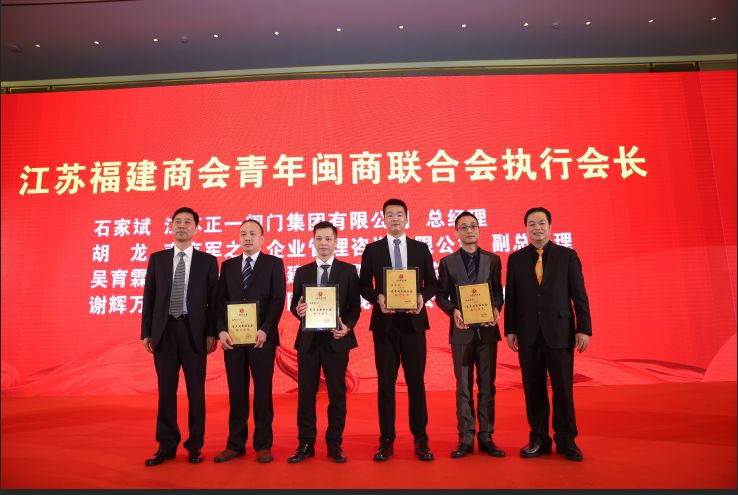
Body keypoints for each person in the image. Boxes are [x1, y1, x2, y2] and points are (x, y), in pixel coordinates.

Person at [504, 207, 592, 462]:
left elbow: (579, 295)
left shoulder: (567, 256)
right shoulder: (516, 259)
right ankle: (539, 439)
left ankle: (566, 440)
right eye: (532, 224)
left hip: (560, 332)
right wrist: (510, 330)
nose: (537, 228)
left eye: (542, 223)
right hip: (528, 334)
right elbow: (512, 298)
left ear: (550, 227)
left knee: (563, 389)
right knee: (534, 389)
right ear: (526, 229)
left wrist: (583, 328)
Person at [359, 198, 438, 461]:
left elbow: (432, 283)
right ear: (383, 219)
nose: (395, 218)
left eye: (399, 214)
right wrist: (378, 297)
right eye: (390, 214)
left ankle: (421, 439)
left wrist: (422, 297)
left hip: (414, 324)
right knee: (386, 384)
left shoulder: (420, 248)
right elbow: (363, 285)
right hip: (385, 325)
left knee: (416, 383)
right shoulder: (372, 250)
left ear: (407, 218)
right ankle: (386, 440)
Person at [141, 206, 219, 466]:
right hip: (164, 332)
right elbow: (149, 296)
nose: (182, 226)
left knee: (196, 392)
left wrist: (211, 333)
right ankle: (166, 445)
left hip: (194, 333)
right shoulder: (157, 259)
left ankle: (195, 445)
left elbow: (213, 301)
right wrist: (146, 332)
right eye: (177, 221)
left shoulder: (208, 261)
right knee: (166, 391)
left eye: (187, 222)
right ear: (171, 226)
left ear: (196, 228)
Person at [287, 221, 361, 464]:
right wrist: (298, 310)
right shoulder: (303, 271)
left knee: (337, 394)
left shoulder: (348, 270)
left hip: (336, 340)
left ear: (336, 241)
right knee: (306, 394)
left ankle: (334, 444)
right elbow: (294, 306)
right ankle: (306, 443)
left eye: (328, 239)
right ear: (313, 241)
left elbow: (355, 307)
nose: (323, 243)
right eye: (319, 239)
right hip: (308, 342)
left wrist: (347, 327)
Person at [214, 219, 286, 464]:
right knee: (236, 392)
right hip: (233, 340)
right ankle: (235, 444)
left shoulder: (273, 264)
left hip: (262, 340)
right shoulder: (228, 266)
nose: (247, 238)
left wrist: (266, 329)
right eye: (243, 233)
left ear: (262, 238)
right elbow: (219, 301)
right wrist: (221, 330)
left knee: (262, 392)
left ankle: (263, 445)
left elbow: (278, 299)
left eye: (252, 234)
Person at [436, 211, 505, 459]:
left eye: (473, 226)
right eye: (463, 227)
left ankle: (486, 436)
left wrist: (496, 308)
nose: (469, 230)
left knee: (487, 385)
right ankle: (465, 437)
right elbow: (441, 295)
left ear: (479, 229)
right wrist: (453, 311)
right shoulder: (447, 262)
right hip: (462, 332)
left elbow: (497, 292)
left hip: (487, 332)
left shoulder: (493, 260)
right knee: (463, 387)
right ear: (456, 233)